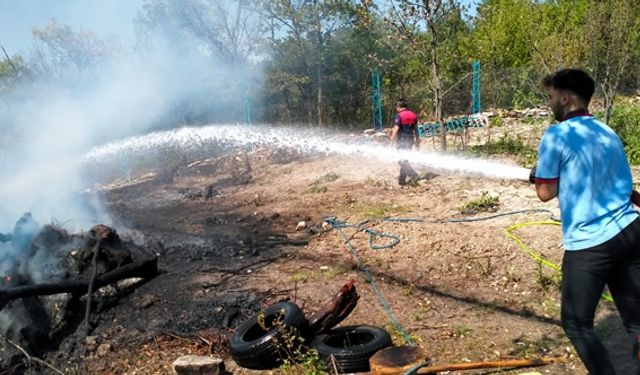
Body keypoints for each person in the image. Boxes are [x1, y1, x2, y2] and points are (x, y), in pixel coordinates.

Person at [532, 68, 640, 374]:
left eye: (551, 96)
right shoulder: (606, 131)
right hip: (630, 232)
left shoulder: (556, 135)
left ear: (565, 97)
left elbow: (545, 191)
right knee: (636, 320)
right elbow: (617, 181)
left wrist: (540, 175)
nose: (549, 102)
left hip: (591, 244)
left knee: (576, 323)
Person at [390, 99, 420, 186]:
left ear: (399, 107)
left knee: (401, 160)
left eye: (397, 107)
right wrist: (417, 142)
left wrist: (391, 141)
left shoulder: (399, 115)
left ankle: (412, 175)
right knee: (404, 159)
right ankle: (402, 180)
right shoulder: (413, 115)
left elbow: (396, 129)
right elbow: (416, 130)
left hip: (402, 141)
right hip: (410, 141)